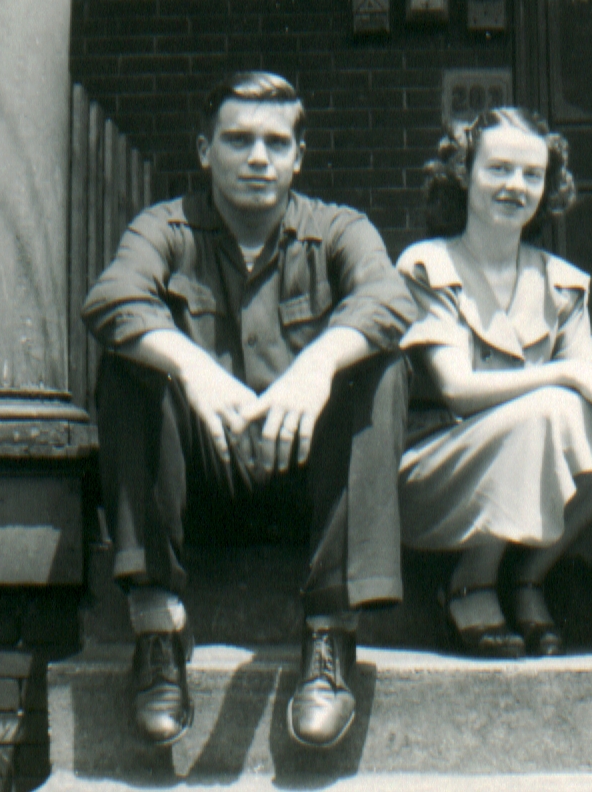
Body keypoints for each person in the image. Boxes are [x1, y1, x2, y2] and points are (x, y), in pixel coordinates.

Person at [82, 72, 416, 749]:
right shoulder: (165, 228)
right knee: (131, 366)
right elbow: (113, 298)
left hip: (308, 489)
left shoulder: (339, 229)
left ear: (299, 155)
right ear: (206, 151)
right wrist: (195, 370)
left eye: (274, 141)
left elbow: (390, 300)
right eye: (238, 140)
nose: (257, 157)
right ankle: (156, 625)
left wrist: (317, 367)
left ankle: (329, 636)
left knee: (380, 367)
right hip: (198, 484)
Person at [396, 107, 592, 657]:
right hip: (435, 474)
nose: (515, 186)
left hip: (526, 460)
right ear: (464, 174)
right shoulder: (428, 265)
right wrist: (570, 374)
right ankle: (470, 581)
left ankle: (527, 576)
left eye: (531, 174)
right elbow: (456, 389)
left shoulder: (561, 282)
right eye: (498, 169)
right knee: (551, 405)